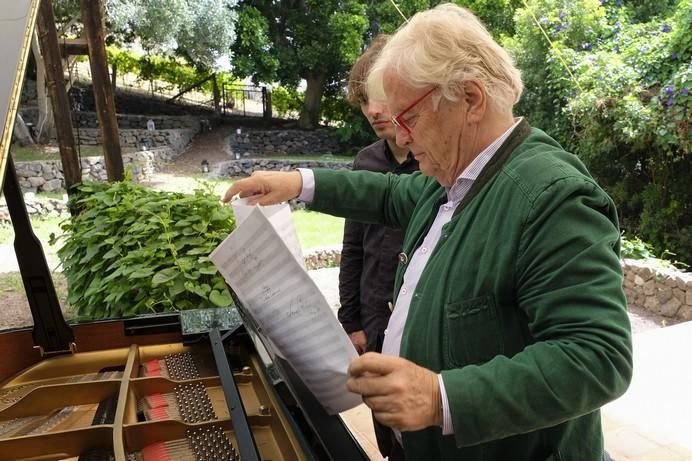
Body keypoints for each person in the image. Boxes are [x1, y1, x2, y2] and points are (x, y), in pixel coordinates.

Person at [223, 4, 633, 460]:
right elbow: (385, 194)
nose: (399, 137)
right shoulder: (451, 177)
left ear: (470, 99)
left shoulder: (553, 197)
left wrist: (441, 397)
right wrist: (298, 184)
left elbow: (598, 357)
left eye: (409, 119)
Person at [340, 33, 418, 461]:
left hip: (419, 317)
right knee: (387, 433)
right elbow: (354, 248)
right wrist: (351, 319)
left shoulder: (436, 159)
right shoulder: (365, 161)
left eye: (384, 97)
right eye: (366, 99)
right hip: (372, 314)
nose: (373, 111)